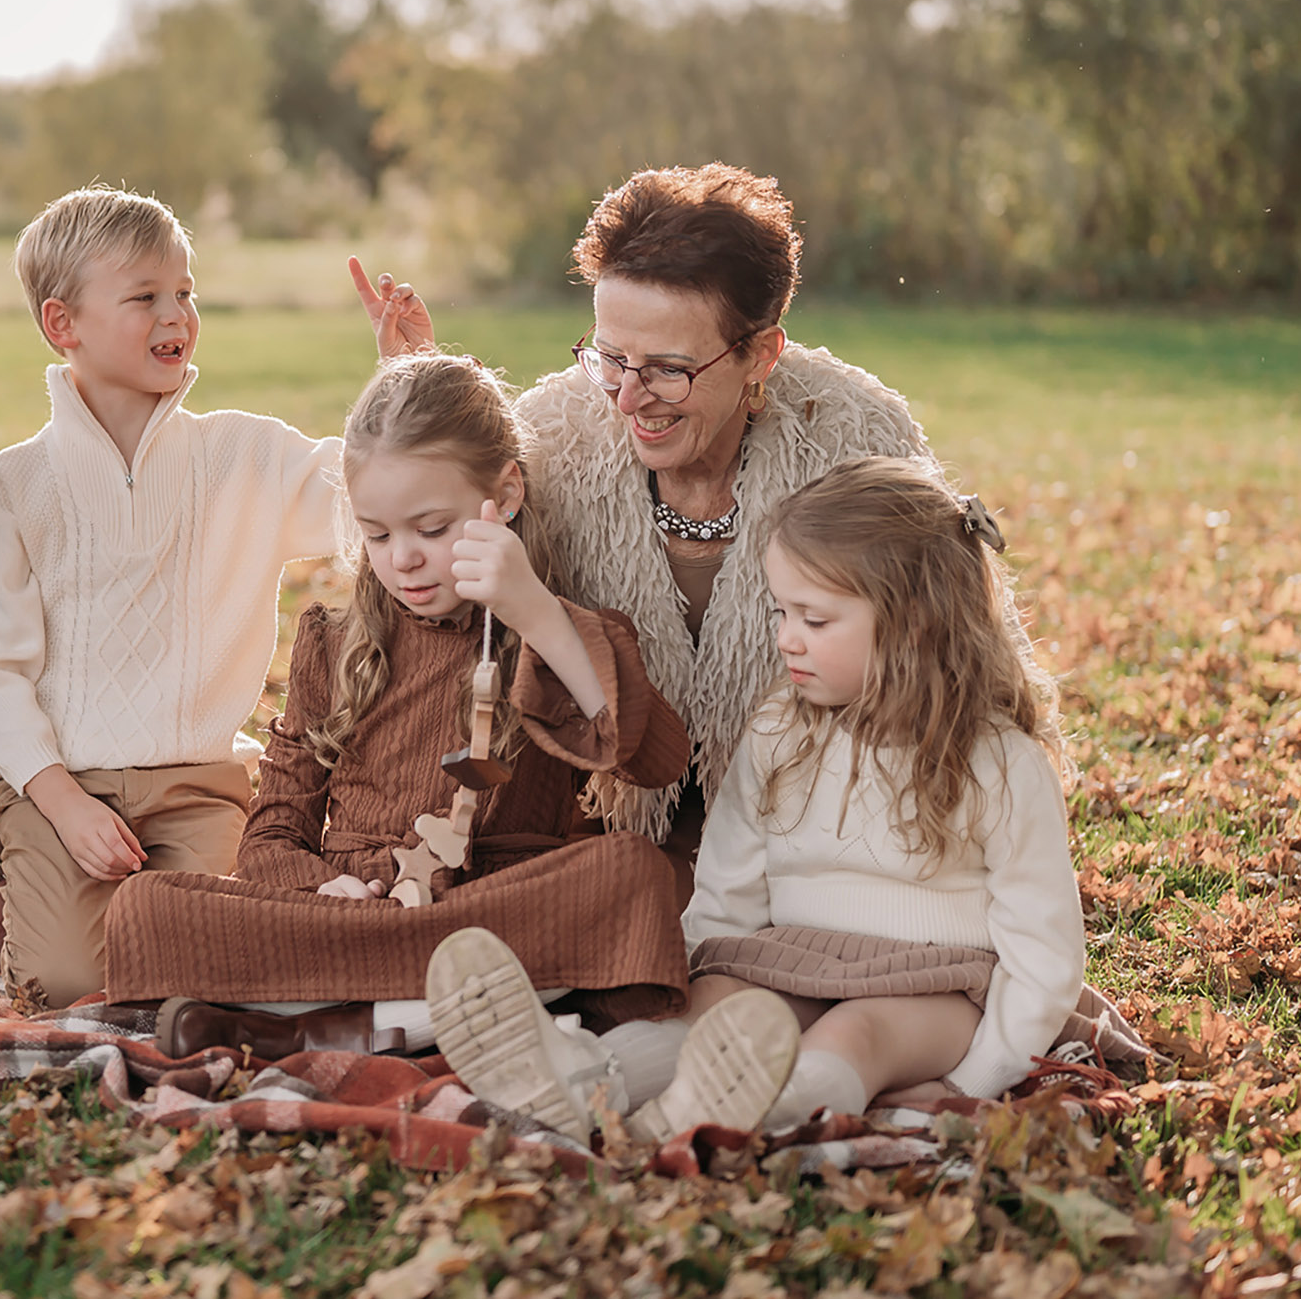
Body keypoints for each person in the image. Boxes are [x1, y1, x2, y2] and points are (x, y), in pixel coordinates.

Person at [354, 165, 1028, 873]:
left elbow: (960, 666)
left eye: (669, 368)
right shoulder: (556, 438)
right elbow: (436, 538)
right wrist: (420, 388)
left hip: (823, 837)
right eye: (611, 358)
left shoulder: (853, 441)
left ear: (760, 353)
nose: (626, 399)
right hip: (607, 840)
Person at [104, 355, 702, 1135]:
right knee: (145, 907)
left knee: (632, 875)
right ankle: (442, 1022)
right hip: (348, 909)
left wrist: (537, 616)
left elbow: (655, 761)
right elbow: (275, 828)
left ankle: (315, 1029)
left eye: (434, 528)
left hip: (494, 906)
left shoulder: (559, 630)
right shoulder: (336, 644)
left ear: (506, 497)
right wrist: (324, 890)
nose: (405, 559)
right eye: (378, 534)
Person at [427, 456, 1088, 1137]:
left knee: (856, 1035)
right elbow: (728, 883)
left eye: (816, 620)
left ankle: (758, 1113)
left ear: (914, 624)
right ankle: (578, 1079)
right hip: (793, 958)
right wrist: (699, 971)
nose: (786, 638)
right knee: (715, 1008)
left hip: (934, 987)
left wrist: (971, 1082)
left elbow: (1043, 948)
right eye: (781, 611)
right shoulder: (780, 728)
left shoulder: (996, 760)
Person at [0, 187, 342, 1008]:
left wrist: (401, 374)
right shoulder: (18, 486)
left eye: (186, 293)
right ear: (65, 325)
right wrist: (58, 801)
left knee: (201, 970)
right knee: (64, 984)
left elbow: (367, 498)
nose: (178, 316)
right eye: (145, 297)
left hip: (199, 782)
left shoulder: (244, 453)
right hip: (61, 789)